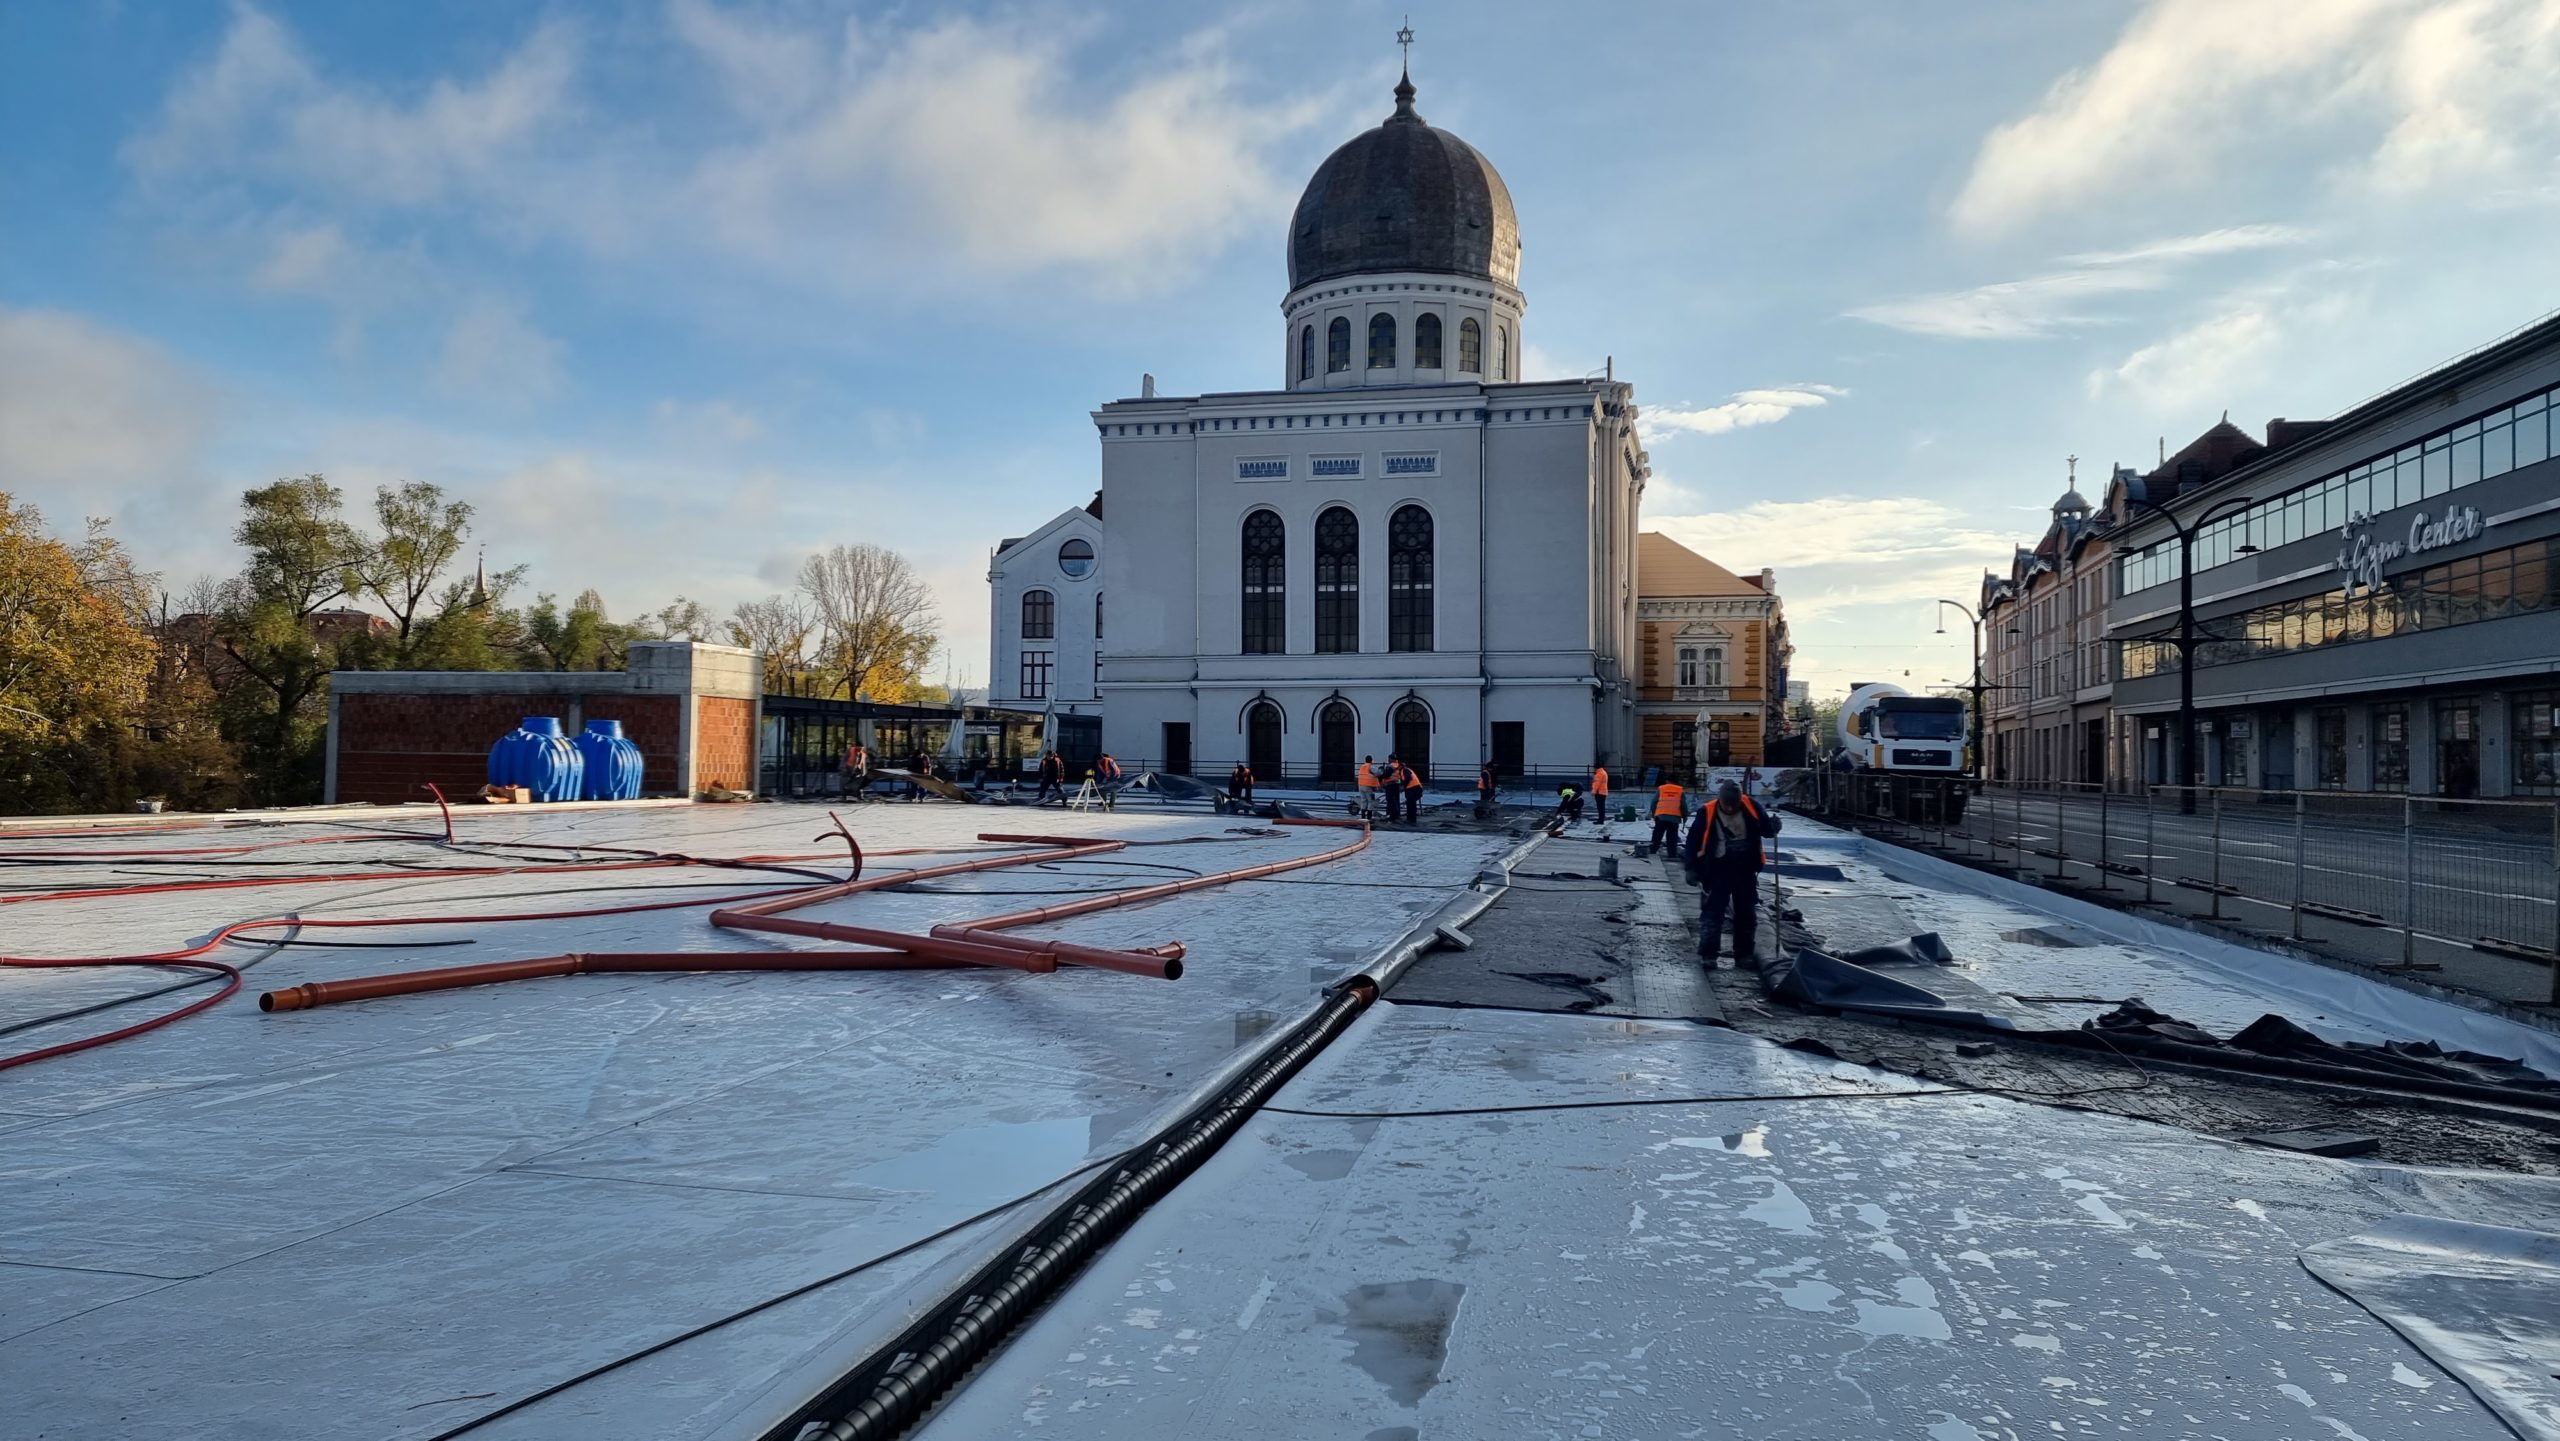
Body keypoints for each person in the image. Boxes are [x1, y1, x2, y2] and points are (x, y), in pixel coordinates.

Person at [1683, 779, 1781, 968]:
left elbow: (1766, 831)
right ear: (1720, 800)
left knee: (1746, 914)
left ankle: (1743, 955)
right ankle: (1709, 955)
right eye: (1726, 805)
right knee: (1712, 913)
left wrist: (1773, 826)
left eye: (1733, 805)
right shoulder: (1708, 811)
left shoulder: (1752, 806)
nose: (1729, 809)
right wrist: (1690, 868)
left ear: (1739, 801)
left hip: (1745, 870)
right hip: (1717, 869)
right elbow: (1692, 840)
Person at [1649, 778, 1686, 855]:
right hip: (1674, 818)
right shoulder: (1680, 790)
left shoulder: (1661, 788)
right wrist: (1684, 816)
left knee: (1657, 835)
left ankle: (1653, 850)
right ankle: (1672, 854)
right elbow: (1684, 805)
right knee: (1672, 837)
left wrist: (1654, 814)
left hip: (1661, 816)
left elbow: (1653, 802)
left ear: (1667, 781)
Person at [1402, 758, 1425, 824]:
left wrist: (1403, 786)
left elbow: (1408, 778)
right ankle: (1411, 819)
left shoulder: (1404, 770)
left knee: (1411, 804)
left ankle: (1411, 819)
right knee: (1411, 804)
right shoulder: (1407, 770)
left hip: (1413, 789)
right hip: (1416, 788)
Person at [1589, 762, 1610, 827]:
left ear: (1596, 767)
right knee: (1601, 807)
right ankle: (1601, 819)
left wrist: (1593, 791)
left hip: (1599, 792)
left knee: (1600, 807)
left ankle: (1600, 820)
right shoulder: (1603, 772)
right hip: (1603, 792)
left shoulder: (1599, 774)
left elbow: (1597, 784)